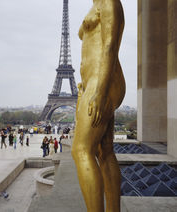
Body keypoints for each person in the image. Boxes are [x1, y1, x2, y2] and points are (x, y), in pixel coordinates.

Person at [71, 0, 125, 211]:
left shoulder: (109, 2)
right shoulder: (96, 5)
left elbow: (111, 45)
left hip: (102, 82)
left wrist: (100, 93)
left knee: (81, 149)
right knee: (105, 151)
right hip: (92, 82)